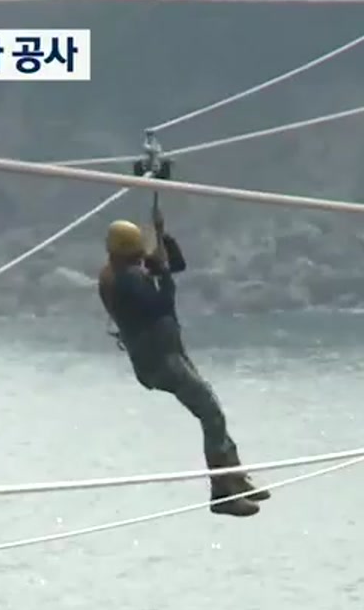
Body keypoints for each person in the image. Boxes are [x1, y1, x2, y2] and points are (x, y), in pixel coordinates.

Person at [97, 208, 267, 517]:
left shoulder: (126, 272)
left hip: (167, 353)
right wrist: (161, 273)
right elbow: (161, 304)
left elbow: (177, 265)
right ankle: (222, 492)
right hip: (158, 362)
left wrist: (163, 239)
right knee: (210, 412)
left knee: (211, 406)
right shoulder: (124, 283)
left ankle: (234, 477)